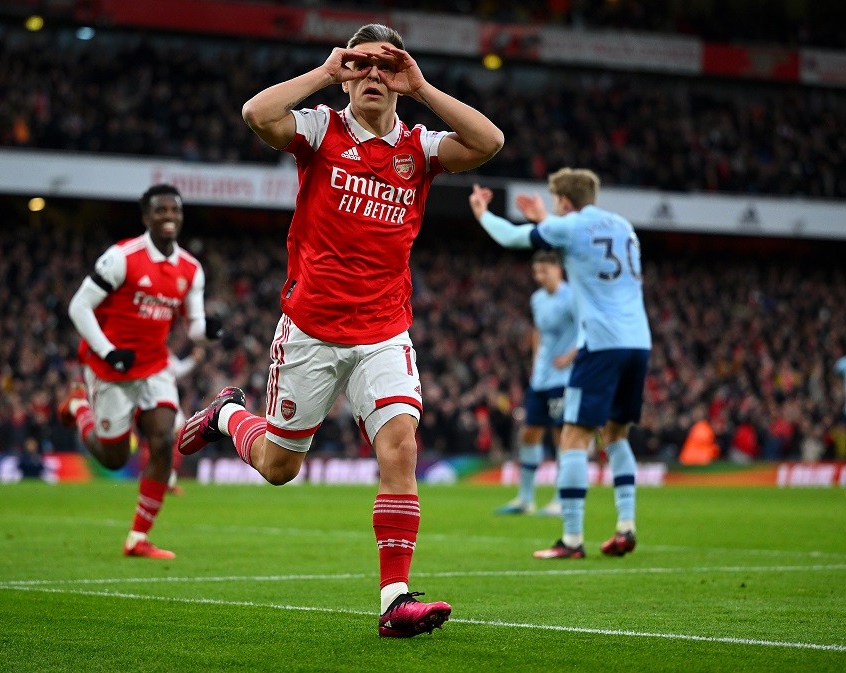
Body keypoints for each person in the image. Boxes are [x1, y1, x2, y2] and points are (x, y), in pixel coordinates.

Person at [179, 23, 503, 637]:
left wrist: (424, 85)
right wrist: (328, 73)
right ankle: (227, 415)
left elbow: (489, 142)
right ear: (347, 73)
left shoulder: (419, 146)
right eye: (362, 65)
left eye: (387, 66)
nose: (374, 76)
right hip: (311, 330)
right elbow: (256, 113)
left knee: (401, 447)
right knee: (279, 467)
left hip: (384, 331)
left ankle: (394, 599)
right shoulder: (320, 128)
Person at [468, 167, 651, 560]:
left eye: (556, 201)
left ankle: (570, 539)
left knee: (572, 437)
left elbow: (513, 237)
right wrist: (546, 220)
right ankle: (626, 525)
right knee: (616, 434)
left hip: (601, 345)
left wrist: (483, 212)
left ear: (564, 201)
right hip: (639, 342)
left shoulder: (570, 227)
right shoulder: (624, 226)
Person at [58, 184, 220, 559]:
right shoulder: (121, 258)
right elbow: (79, 307)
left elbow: (193, 325)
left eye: (174, 211)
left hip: (154, 366)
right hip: (110, 366)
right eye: (161, 211)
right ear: (146, 217)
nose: (168, 217)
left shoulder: (190, 269)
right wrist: (108, 351)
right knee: (114, 457)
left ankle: (138, 538)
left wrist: (208, 331)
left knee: (165, 440)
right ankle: (79, 405)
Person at [495, 250, 576, 516]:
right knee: (529, 433)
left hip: (564, 378)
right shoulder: (537, 299)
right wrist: (535, 362)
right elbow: (538, 332)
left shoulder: (573, 297)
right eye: (537, 272)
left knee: (560, 435)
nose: (540, 277)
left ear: (558, 270)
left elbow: (589, 330)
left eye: (545, 271)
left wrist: (571, 356)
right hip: (541, 378)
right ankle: (526, 499)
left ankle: (561, 499)